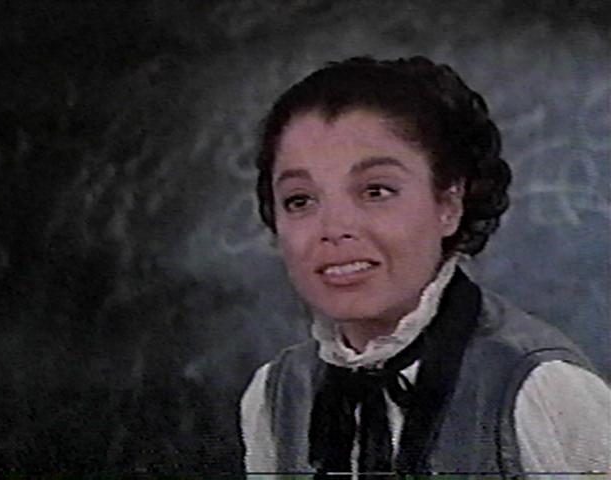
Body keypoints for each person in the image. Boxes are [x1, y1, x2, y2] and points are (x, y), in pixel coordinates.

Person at [240, 56, 611, 475]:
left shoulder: (542, 390)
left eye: (376, 191)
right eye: (300, 200)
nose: (335, 229)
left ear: (449, 205)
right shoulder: (275, 394)